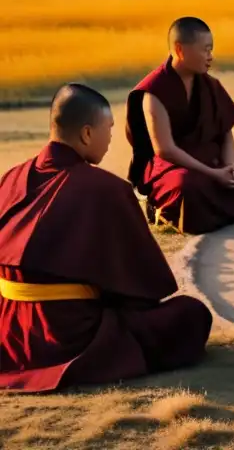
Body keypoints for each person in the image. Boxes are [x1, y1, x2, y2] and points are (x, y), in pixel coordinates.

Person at [0, 84, 212, 393]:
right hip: (68, 332)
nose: (111, 139)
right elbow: (144, 289)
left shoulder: (11, 177)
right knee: (191, 315)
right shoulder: (107, 189)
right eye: (108, 129)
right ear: (86, 134)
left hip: (11, 328)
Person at [126, 17, 234, 234]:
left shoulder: (210, 84)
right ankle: (162, 209)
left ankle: (218, 206)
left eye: (211, 50)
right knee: (188, 189)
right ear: (180, 50)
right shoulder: (154, 91)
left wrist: (230, 167)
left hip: (213, 159)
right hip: (176, 167)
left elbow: (225, 134)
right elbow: (166, 150)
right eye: (206, 50)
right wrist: (213, 174)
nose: (211, 57)